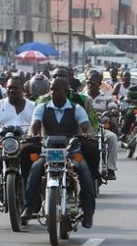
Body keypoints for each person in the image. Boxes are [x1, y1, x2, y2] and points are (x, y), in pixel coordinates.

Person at [21, 77, 96, 228]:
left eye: (56, 89)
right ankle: (29, 207)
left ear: (66, 91)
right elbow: (34, 126)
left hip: (71, 152)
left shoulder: (77, 109)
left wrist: (88, 134)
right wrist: (32, 135)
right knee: (35, 169)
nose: (52, 92)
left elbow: (87, 126)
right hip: (49, 152)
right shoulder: (42, 108)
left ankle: (88, 212)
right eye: (51, 89)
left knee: (84, 171)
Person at [0, 77, 35, 211]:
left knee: (38, 164)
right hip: (3, 144)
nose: (12, 90)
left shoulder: (33, 106)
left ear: (23, 89)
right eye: (9, 88)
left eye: (15, 88)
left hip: (26, 144)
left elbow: (40, 124)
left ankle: (39, 196)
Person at [83, 71, 118, 180]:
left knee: (113, 137)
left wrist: (113, 112)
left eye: (92, 83)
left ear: (99, 84)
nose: (90, 85)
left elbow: (113, 107)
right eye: (88, 82)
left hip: (101, 128)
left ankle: (111, 169)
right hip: (85, 129)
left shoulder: (106, 96)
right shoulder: (82, 97)